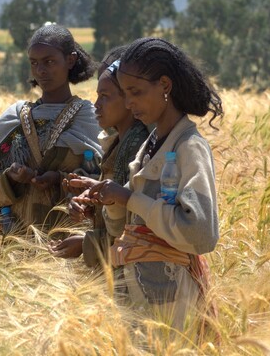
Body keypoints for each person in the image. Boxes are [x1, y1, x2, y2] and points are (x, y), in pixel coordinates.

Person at [69, 37, 223, 332]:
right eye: (125, 94)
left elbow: (201, 234)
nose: (129, 103)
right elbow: (124, 231)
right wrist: (111, 203)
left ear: (165, 86)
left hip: (172, 308)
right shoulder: (149, 148)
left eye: (136, 92)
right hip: (139, 305)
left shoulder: (189, 147)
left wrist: (129, 199)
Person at [0, 23, 102, 237]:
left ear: (70, 60)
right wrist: (11, 179)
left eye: (49, 62)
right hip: (19, 244)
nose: (41, 70)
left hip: (71, 245)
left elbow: (106, 182)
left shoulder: (89, 117)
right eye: (34, 63)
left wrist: (58, 179)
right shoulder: (14, 118)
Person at [48, 45, 149, 266]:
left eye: (105, 96)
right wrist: (92, 198)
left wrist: (86, 244)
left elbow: (136, 229)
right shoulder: (119, 144)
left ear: (129, 99)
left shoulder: (138, 150)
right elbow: (120, 202)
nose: (96, 105)